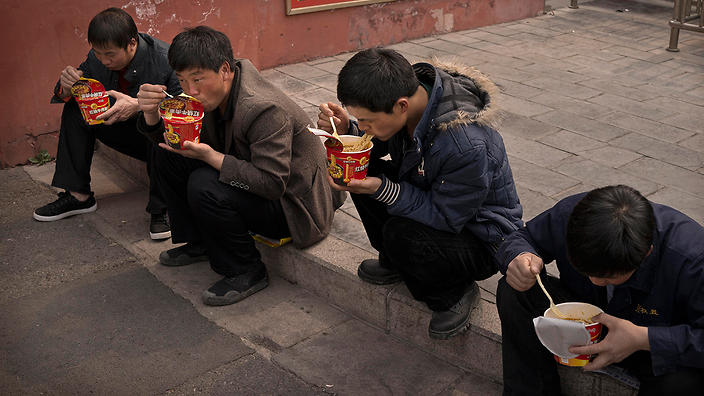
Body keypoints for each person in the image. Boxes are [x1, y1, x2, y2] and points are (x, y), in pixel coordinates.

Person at [316, 48, 523, 339]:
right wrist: (345, 128)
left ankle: (453, 292)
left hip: (479, 236)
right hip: (436, 202)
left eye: (367, 121)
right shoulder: (407, 98)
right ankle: (395, 262)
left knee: (401, 231)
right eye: (359, 120)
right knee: (360, 171)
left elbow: (446, 216)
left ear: (401, 106)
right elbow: (376, 144)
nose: (364, 128)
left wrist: (383, 189)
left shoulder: (466, 143)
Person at [136, 26, 342, 306]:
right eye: (182, 81)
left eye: (197, 79)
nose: (190, 91)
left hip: (293, 204)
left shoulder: (263, 109)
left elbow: (271, 184)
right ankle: (200, 243)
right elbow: (175, 140)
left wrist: (211, 157)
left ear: (224, 70)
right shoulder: (213, 94)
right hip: (256, 179)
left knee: (204, 185)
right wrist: (150, 115)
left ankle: (246, 269)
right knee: (168, 154)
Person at [496, 185, 704, 395]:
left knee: (684, 382)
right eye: (585, 271)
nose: (595, 281)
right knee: (516, 289)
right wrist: (520, 256)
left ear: (646, 253)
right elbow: (522, 238)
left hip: (650, 344)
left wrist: (645, 338)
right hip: (585, 324)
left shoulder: (692, 258)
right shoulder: (573, 217)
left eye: (608, 277)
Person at [33, 7, 180, 240]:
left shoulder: (166, 59)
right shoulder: (96, 58)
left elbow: (183, 111)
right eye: (98, 53)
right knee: (76, 107)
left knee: (157, 123)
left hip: (158, 138)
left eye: (110, 54)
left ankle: (162, 210)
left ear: (132, 43)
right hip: (120, 128)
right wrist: (67, 87)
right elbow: (72, 91)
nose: (103, 60)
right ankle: (78, 196)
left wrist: (140, 106)